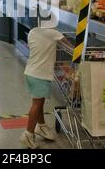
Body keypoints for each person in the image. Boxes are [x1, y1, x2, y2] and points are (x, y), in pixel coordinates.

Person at [20, 19, 73, 149]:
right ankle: (28, 134)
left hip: (30, 72)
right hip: (40, 75)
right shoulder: (53, 33)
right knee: (37, 104)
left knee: (39, 102)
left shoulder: (32, 32)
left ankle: (41, 126)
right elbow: (71, 48)